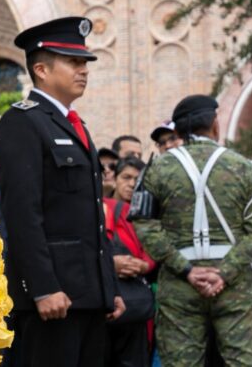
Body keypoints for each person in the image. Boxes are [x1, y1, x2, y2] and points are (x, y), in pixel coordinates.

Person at [0, 16, 124, 366]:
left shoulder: (74, 125)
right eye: (73, 62)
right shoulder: (23, 122)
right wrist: (42, 287)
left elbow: (92, 217)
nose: (83, 70)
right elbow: (23, 215)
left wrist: (107, 287)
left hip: (88, 295)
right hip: (54, 298)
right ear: (42, 70)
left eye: (85, 63)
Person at [136, 95, 252, 367]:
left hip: (179, 284)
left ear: (178, 131)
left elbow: (144, 224)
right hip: (235, 287)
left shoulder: (156, 169)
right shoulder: (247, 169)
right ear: (215, 125)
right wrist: (225, 272)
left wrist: (186, 269)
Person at [105, 157, 156, 367]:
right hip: (107, 303)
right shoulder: (101, 207)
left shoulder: (148, 215)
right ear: (114, 179)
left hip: (137, 309)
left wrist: (144, 265)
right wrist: (110, 264)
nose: (132, 184)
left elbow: (154, 250)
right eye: (126, 177)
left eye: (137, 179)